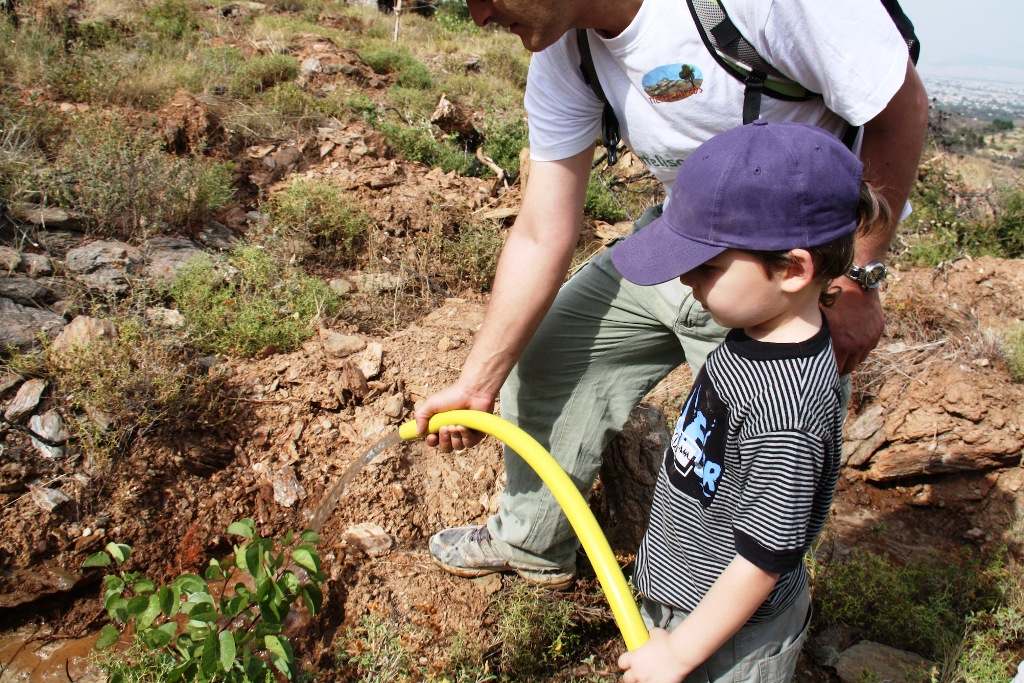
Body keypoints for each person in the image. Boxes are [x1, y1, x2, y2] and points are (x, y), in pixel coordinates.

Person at [414, 0, 929, 589]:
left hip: (773, 278)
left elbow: (902, 107)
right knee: (548, 360)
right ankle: (531, 542)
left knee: (749, 471)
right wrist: (477, 383)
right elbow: (540, 230)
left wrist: (856, 280)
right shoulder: (566, 46)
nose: (476, 15)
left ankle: (718, 633)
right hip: (675, 246)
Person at [611, 119, 888, 682]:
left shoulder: (786, 410)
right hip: (689, 598)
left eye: (707, 266)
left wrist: (681, 653)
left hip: (729, 635)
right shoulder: (753, 332)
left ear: (792, 269)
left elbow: (763, 558)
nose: (685, 279)